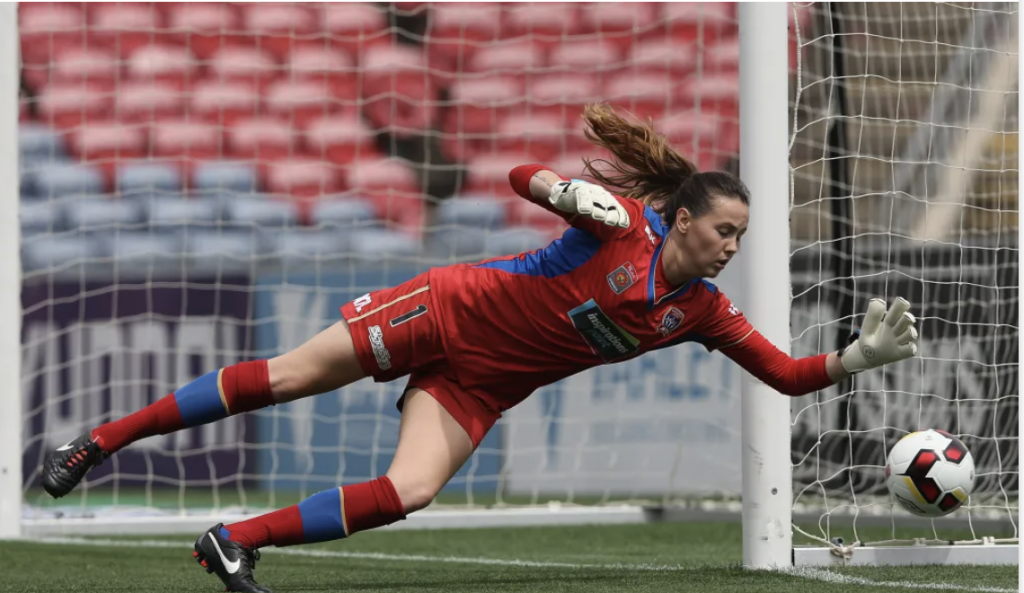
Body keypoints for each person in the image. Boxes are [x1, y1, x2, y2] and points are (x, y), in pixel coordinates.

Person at [41, 104, 919, 593]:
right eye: (724, 229)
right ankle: (100, 441)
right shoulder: (623, 230)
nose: (733, 246)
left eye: (742, 236)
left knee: (410, 491)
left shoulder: (701, 309)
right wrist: (571, 191)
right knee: (281, 379)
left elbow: (785, 373)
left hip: (484, 385)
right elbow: (514, 180)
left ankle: (233, 540)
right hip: (444, 312)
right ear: (684, 218)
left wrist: (851, 362)